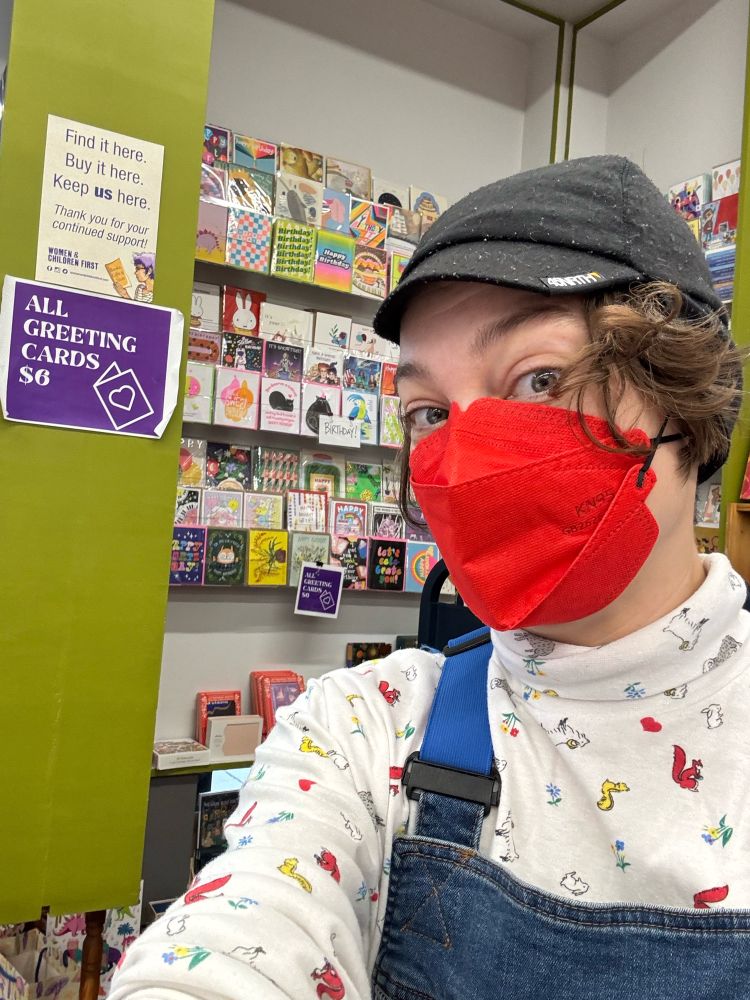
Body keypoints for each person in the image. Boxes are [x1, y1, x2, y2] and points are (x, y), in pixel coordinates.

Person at [110, 155, 750, 1000]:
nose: (470, 451)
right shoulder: (361, 730)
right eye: (430, 413)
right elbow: (242, 935)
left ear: (688, 397)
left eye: (541, 379)